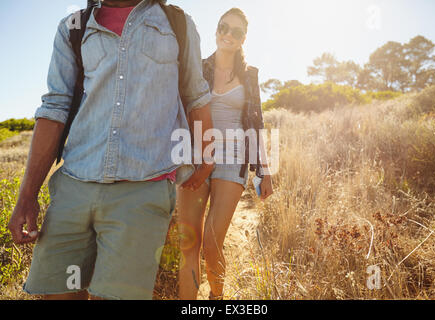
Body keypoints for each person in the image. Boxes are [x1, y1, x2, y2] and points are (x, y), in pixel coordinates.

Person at [7, 0, 214, 300]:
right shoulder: (73, 28)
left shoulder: (177, 24)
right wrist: (27, 196)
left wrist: (206, 155)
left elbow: (196, 95)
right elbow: (54, 107)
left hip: (142, 190)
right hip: (73, 190)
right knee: (59, 294)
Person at [177, 8, 273, 300]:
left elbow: (255, 123)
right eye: (223, 28)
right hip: (196, 158)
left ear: (244, 38)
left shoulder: (250, 76)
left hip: (233, 161)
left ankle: (216, 298)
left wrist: (264, 171)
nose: (228, 34)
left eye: (237, 32)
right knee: (188, 244)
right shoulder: (197, 67)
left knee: (212, 243)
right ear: (216, 30)